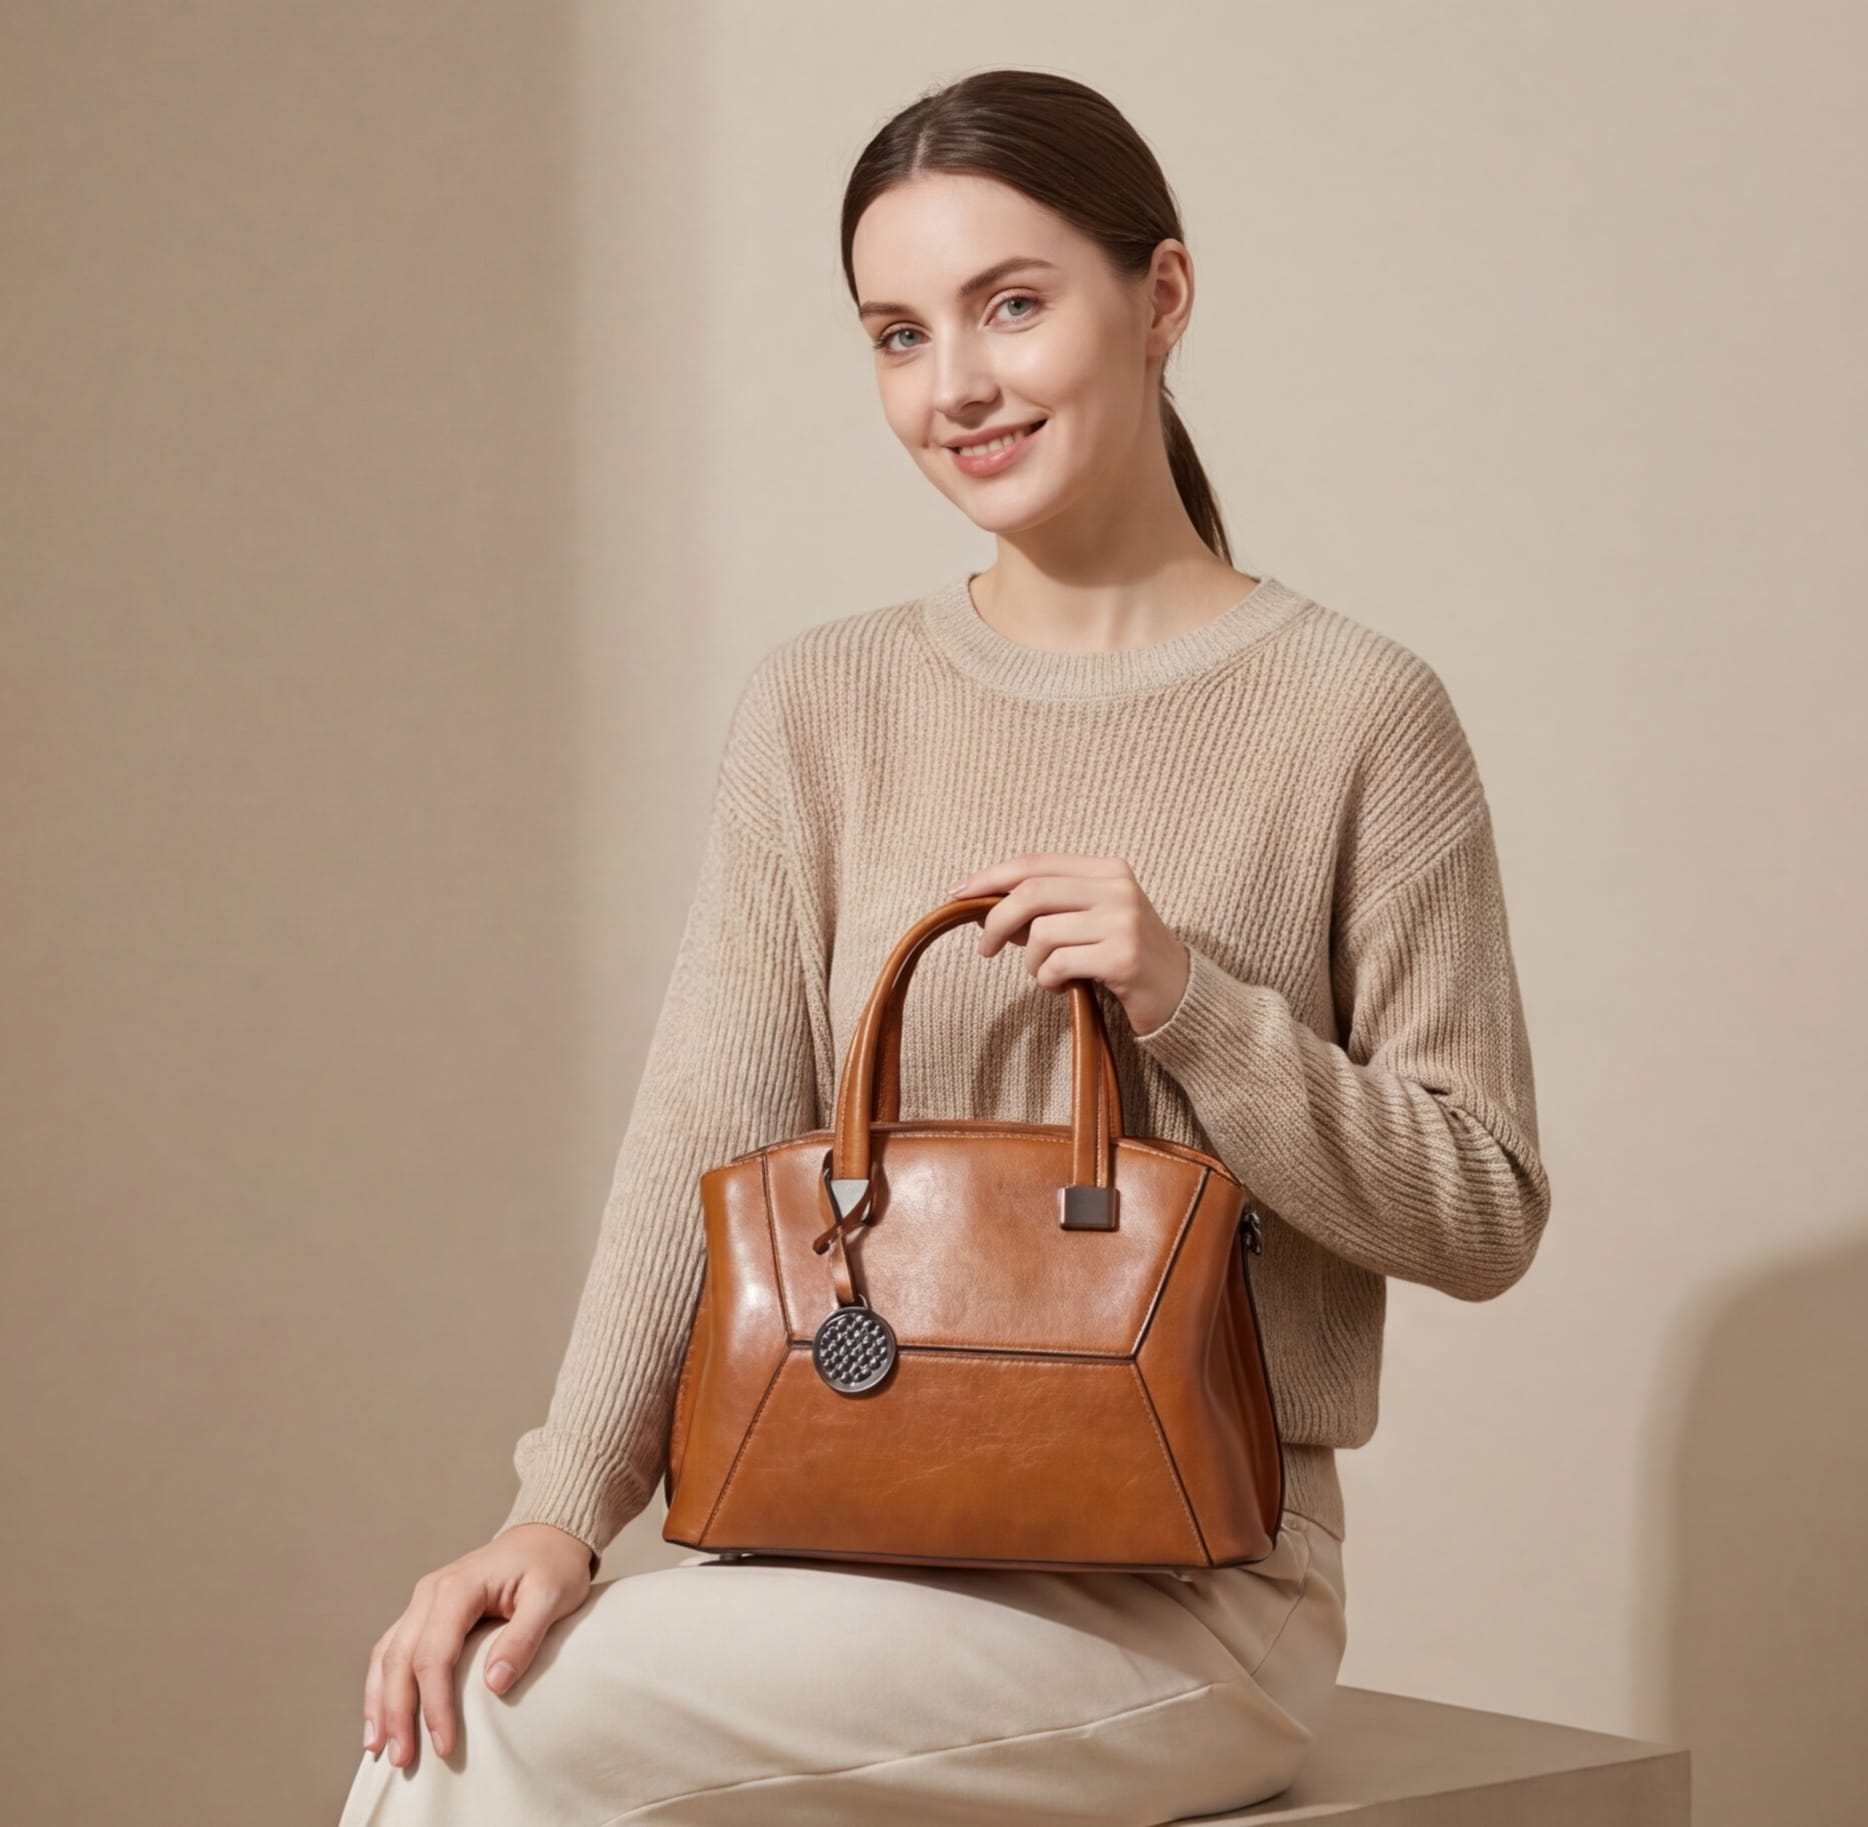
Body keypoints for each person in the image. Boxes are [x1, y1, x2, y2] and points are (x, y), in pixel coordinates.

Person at [339, 67, 1551, 1826]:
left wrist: (1197, 1004)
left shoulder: (1359, 715)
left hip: (1188, 1595)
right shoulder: (826, 707)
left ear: (1163, 299)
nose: (955, 385)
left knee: (505, 1743)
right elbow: (700, 1127)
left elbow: (1487, 1205)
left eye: (1010, 306)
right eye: (897, 334)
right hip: (842, 1540)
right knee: (459, 1705)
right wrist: (555, 1508)